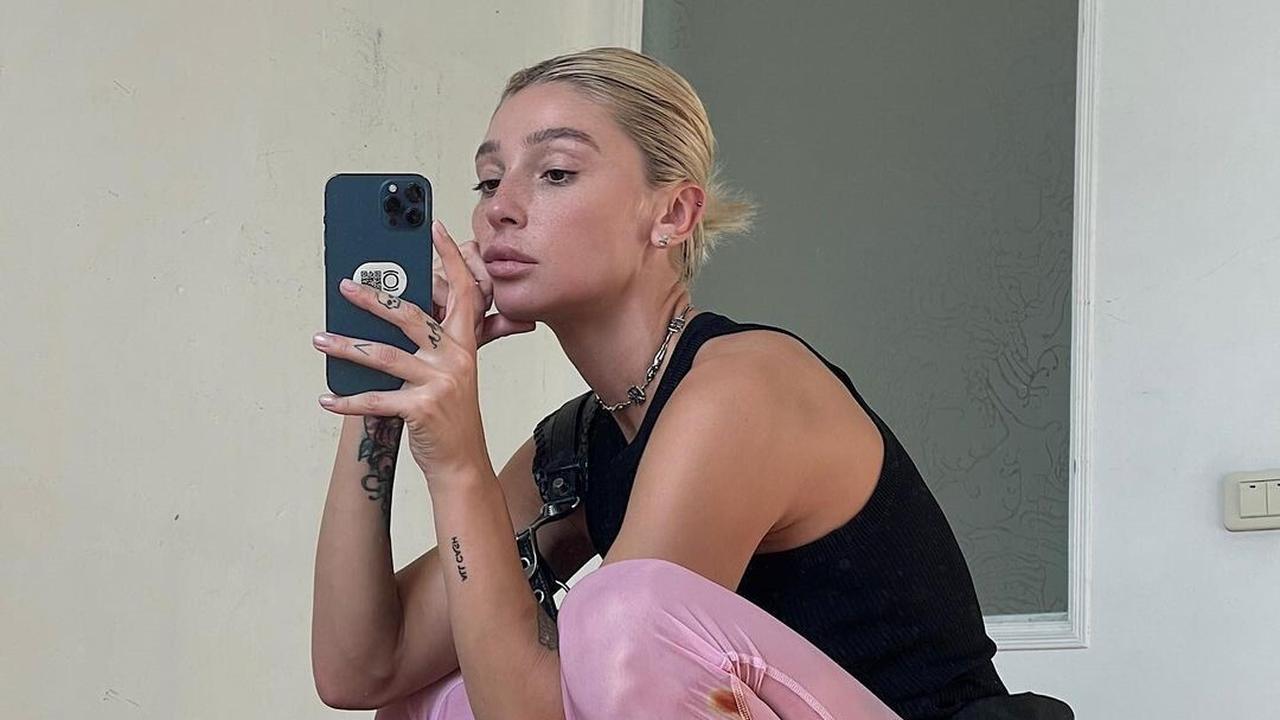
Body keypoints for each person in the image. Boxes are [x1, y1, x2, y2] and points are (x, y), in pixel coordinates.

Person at [311, 46, 1068, 720]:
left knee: (620, 614)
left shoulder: (744, 387)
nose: (500, 210)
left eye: (556, 173)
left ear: (672, 213)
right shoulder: (579, 445)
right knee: (428, 702)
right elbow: (362, 669)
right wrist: (383, 383)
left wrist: (455, 460)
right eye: (487, 181)